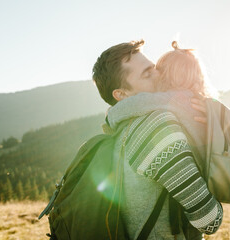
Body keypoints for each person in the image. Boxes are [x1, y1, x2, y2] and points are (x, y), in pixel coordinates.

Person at [92, 40, 223, 239]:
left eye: (153, 67)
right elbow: (209, 220)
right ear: (121, 94)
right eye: (147, 73)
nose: (160, 73)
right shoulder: (156, 128)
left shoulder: (122, 129)